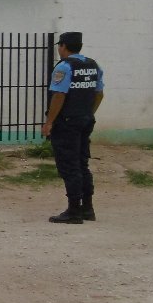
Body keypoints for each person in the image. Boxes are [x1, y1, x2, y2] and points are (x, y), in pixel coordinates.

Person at [41, 31, 105, 224]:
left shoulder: (65, 67)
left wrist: (49, 122)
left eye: (59, 46)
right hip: (85, 119)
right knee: (82, 163)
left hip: (67, 122)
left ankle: (73, 211)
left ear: (63, 46)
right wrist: (88, 113)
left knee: (69, 166)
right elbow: (99, 94)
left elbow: (59, 96)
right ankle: (87, 208)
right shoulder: (93, 65)